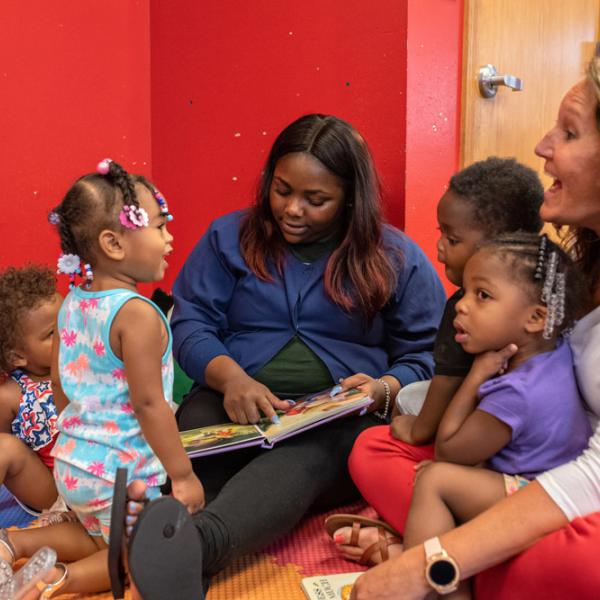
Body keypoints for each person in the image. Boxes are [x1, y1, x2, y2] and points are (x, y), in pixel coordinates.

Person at [117, 113, 447, 597]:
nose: (292, 209)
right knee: (194, 431)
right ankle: (172, 549)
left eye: (316, 200)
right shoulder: (227, 238)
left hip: (337, 421)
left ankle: (198, 546)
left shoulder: (394, 256)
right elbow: (190, 324)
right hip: (233, 405)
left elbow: (428, 354)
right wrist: (231, 379)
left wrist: (383, 388)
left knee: (305, 454)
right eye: (282, 189)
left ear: (350, 198)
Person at [345, 56, 600, 600]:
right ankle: (471, 553)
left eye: (571, 131)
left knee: (579, 567)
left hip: (573, 491)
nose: (543, 145)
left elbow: (459, 447)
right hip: (532, 469)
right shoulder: (570, 272)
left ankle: (444, 552)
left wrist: (425, 564)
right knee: (373, 450)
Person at [0, 159, 204, 597]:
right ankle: (56, 581)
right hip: (121, 470)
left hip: (74, 463)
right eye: (159, 226)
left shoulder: (72, 302)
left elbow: (58, 386)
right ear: (114, 243)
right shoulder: (138, 316)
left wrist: (77, 443)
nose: (169, 238)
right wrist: (182, 475)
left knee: (96, 537)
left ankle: (10, 543)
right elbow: (150, 405)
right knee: (137, 556)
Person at [326, 158, 545, 564]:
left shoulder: (460, 311)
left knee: (374, 446)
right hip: (527, 466)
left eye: (452, 237)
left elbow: (437, 422)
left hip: (485, 463)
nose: (440, 245)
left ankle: (430, 544)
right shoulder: (549, 301)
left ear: (497, 244)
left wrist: (411, 425)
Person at [400, 232, 591, 599]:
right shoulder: (552, 350)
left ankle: (436, 590)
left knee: (433, 479)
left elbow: (448, 449)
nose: (462, 305)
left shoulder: (515, 392)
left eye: (482, 295)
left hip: (537, 496)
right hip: (549, 482)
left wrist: (476, 375)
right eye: (467, 291)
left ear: (535, 318)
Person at [0, 266, 62, 516]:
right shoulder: (10, 395)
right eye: (51, 334)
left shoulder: (85, 364)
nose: (65, 334)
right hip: (53, 490)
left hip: (104, 475)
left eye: (67, 322)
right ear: (17, 356)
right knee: (4, 447)